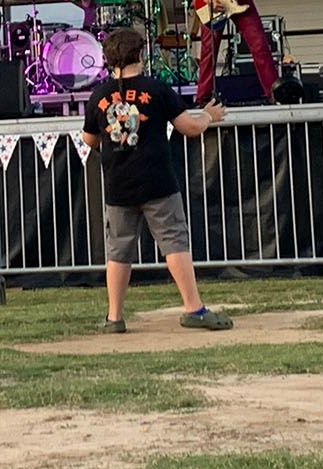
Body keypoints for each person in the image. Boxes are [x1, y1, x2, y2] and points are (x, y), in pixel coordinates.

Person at [81, 27, 233, 334]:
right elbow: (189, 126)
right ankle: (194, 308)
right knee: (174, 240)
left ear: (109, 60)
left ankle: (114, 317)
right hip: (157, 181)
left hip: (118, 184)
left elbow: (89, 139)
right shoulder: (157, 88)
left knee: (118, 250)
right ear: (140, 54)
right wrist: (208, 116)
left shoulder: (98, 96)